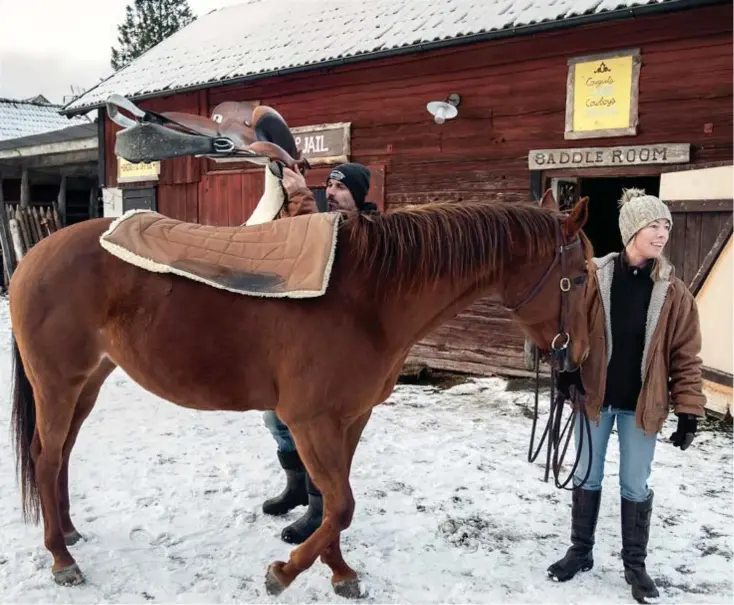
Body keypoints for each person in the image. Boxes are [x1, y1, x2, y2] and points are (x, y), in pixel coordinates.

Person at [548, 188, 705, 604]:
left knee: (635, 485)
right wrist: (566, 371)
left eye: (666, 225)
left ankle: (635, 565)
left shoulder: (674, 292)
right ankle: (580, 552)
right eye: (654, 224)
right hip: (594, 400)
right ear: (632, 229)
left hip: (642, 406)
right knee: (586, 475)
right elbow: (567, 330)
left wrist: (689, 409)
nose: (662, 233)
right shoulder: (593, 278)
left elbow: (686, 356)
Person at [262, 161, 376, 545]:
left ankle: (317, 507)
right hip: (304, 348)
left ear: (359, 195)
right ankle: (296, 486)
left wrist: (300, 197)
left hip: (346, 357)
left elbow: (326, 249)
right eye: (327, 185)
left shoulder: (371, 232)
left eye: (341, 188)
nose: (331, 192)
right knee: (276, 421)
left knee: (320, 431)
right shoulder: (328, 222)